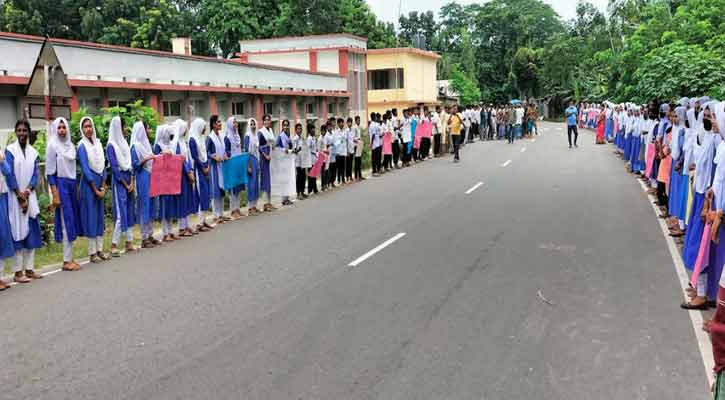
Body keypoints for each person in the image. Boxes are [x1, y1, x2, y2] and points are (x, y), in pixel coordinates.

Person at [5, 119, 43, 282]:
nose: (21, 133)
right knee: (18, 233)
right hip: (15, 198)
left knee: (32, 232)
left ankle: (29, 269)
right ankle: (17, 272)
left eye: (24, 130)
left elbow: (36, 174)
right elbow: (9, 174)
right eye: (19, 130)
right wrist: (19, 194)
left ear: (28, 132)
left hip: (29, 196)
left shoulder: (33, 152)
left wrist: (27, 192)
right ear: (15, 132)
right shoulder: (10, 151)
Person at [45, 117, 81, 271]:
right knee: (66, 221)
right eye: (59, 128)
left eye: (63, 127)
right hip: (60, 185)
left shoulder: (71, 145)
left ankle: (70, 258)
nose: (61, 130)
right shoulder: (52, 145)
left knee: (72, 220)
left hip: (72, 185)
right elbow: (50, 172)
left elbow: (73, 169)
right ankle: (66, 261)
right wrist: (55, 193)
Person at [77, 117, 110, 263]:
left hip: (100, 183)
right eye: (85, 127)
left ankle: (100, 250)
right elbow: (85, 168)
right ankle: (92, 253)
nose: (88, 129)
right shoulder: (81, 146)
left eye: (90, 126)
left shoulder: (98, 144)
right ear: (82, 129)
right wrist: (95, 189)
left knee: (99, 218)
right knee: (91, 217)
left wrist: (103, 185)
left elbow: (102, 165)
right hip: (88, 185)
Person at [106, 116, 137, 257]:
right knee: (121, 213)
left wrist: (131, 181)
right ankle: (113, 245)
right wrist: (125, 184)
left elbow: (129, 164)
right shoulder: (111, 146)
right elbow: (114, 168)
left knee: (129, 210)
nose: (126, 129)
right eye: (124, 126)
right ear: (118, 128)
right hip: (119, 182)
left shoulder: (124, 143)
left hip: (128, 180)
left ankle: (129, 242)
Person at [130, 121, 158, 248]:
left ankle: (150, 234)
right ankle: (144, 237)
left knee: (152, 204)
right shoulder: (135, 147)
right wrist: (146, 159)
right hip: (142, 177)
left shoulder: (146, 145)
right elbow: (135, 165)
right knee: (144, 205)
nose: (148, 131)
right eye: (147, 128)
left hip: (150, 177)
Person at [153, 125, 180, 241]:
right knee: (164, 205)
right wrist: (164, 156)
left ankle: (170, 230)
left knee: (170, 205)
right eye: (169, 134)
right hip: (162, 180)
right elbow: (156, 161)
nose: (170, 136)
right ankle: (165, 233)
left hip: (170, 178)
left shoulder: (169, 145)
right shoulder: (158, 145)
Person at [189, 118, 214, 231]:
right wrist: (203, 169)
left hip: (205, 168)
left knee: (206, 194)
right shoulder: (192, 139)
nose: (205, 129)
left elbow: (205, 153)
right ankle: (199, 223)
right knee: (201, 195)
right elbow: (195, 157)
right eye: (204, 127)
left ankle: (203, 221)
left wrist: (207, 166)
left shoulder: (201, 138)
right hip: (199, 170)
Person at [176, 119, 199, 235]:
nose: (185, 131)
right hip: (181, 176)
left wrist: (191, 170)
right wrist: (188, 172)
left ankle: (187, 226)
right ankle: (181, 228)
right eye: (184, 128)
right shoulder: (176, 144)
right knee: (182, 200)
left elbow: (188, 159)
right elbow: (180, 160)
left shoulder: (183, 142)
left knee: (188, 199)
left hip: (187, 174)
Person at [0, 138, 15, 289]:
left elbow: (8, 171)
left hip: (2, 197)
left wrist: (1, 161)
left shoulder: (0, 152)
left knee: (3, 235)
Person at [207, 115, 228, 224]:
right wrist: (214, 157)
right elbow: (207, 152)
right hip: (214, 168)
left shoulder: (221, 135)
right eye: (218, 122)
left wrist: (224, 155)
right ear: (214, 124)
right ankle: (215, 215)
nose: (220, 124)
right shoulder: (210, 138)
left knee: (221, 190)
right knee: (215, 191)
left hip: (222, 166)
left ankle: (221, 214)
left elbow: (223, 149)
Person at [223, 117, 244, 220]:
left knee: (238, 188)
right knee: (232, 189)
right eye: (234, 122)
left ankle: (238, 208)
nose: (236, 123)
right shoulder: (227, 137)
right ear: (230, 124)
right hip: (231, 165)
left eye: (236, 121)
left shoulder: (238, 136)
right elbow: (226, 152)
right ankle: (233, 210)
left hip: (238, 164)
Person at [243, 118, 261, 215]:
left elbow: (257, 150)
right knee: (251, 184)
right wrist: (248, 165)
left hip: (256, 159)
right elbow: (246, 151)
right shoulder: (247, 135)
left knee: (256, 184)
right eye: (251, 124)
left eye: (254, 124)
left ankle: (255, 206)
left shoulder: (256, 135)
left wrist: (257, 163)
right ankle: (250, 208)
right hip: (250, 160)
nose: (253, 126)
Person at [258, 114, 276, 211]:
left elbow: (273, 144)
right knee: (265, 181)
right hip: (264, 159)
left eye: (269, 120)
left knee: (270, 181)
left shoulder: (271, 130)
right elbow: (259, 147)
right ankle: (265, 203)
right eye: (266, 120)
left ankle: (269, 202)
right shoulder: (261, 132)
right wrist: (266, 155)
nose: (267, 121)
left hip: (271, 158)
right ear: (263, 121)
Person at [276, 119, 295, 206]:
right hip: (282, 160)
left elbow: (291, 147)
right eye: (284, 125)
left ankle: (287, 198)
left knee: (288, 179)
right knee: (284, 180)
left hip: (288, 159)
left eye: (287, 125)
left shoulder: (289, 136)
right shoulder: (280, 136)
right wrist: (284, 149)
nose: (286, 127)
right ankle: (283, 199)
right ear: (282, 126)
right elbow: (277, 148)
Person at [306, 124, 320, 193]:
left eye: (314, 129)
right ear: (309, 130)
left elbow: (316, 148)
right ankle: (310, 189)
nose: (314, 130)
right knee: (310, 175)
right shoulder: (309, 139)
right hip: (310, 158)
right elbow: (308, 149)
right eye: (312, 129)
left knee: (314, 174)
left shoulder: (314, 138)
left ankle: (315, 188)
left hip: (314, 157)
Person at [334, 118, 347, 183]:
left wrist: (346, 151)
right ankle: (339, 179)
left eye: (342, 123)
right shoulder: (336, 132)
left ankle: (343, 179)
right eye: (340, 123)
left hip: (343, 152)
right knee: (339, 167)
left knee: (343, 166)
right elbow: (335, 143)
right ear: (338, 124)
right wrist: (340, 141)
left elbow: (345, 142)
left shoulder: (345, 131)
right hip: (338, 152)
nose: (342, 124)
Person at [353, 116, 364, 180]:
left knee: (359, 161)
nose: (359, 121)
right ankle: (356, 176)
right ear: (356, 121)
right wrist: (358, 139)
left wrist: (360, 140)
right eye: (358, 120)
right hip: (356, 145)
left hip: (359, 145)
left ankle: (360, 175)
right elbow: (353, 138)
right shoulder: (354, 128)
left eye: (359, 120)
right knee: (356, 161)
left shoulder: (359, 127)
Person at [345, 117, 355, 181]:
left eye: (351, 122)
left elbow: (352, 140)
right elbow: (346, 141)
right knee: (347, 164)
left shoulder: (352, 130)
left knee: (351, 164)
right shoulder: (346, 130)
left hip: (352, 149)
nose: (350, 123)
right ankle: (347, 176)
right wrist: (347, 151)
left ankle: (350, 176)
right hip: (347, 150)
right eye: (349, 122)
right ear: (347, 123)